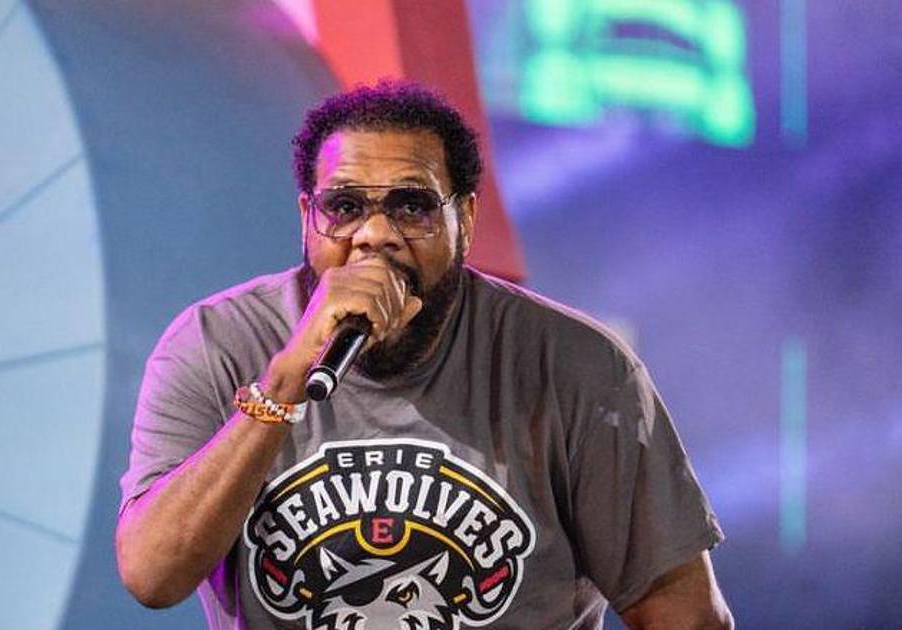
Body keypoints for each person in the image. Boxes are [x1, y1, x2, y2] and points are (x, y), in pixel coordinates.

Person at [115, 80, 733, 630]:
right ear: (307, 216)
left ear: (465, 217)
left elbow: (685, 618)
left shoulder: (575, 367)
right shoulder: (216, 343)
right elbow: (152, 576)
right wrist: (282, 385)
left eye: (411, 206)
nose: (375, 235)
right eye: (345, 207)